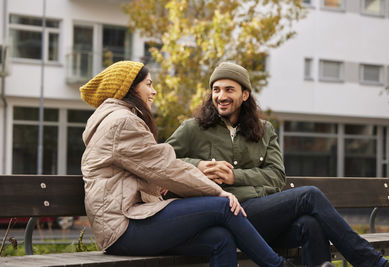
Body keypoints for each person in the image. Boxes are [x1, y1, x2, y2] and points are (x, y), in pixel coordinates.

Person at [166, 62, 389, 267]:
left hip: (261, 215)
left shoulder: (264, 130)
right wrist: (199, 165)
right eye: (216, 90)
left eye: (229, 89)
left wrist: (235, 177)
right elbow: (159, 161)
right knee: (309, 195)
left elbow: (276, 176)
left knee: (309, 224)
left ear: (245, 95)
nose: (221, 96)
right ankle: (370, 261)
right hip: (227, 216)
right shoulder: (193, 128)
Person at [79, 60, 300, 267]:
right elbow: (165, 167)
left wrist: (164, 183)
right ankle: (278, 265)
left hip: (131, 220)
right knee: (224, 207)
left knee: (221, 238)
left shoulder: (118, 119)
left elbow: (150, 168)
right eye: (148, 84)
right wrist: (218, 192)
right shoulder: (122, 122)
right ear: (129, 89)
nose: (153, 91)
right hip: (123, 228)